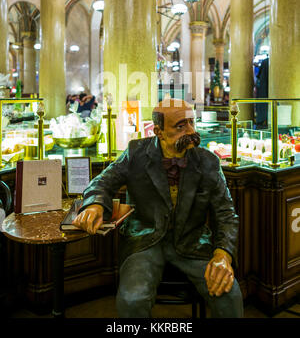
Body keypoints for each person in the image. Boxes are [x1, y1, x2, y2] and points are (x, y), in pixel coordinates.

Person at [73, 98, 243, 318]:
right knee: (132, 300)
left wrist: (223, 255)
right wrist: (95, 203)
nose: (191, 130)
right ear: (158, 131)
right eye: (180, 126)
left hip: (193, 242)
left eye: (192, 122)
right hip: (145, 240)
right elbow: (102, 182)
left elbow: (226, 213)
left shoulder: (208, 161)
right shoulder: (136, 152)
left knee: (230, 295)